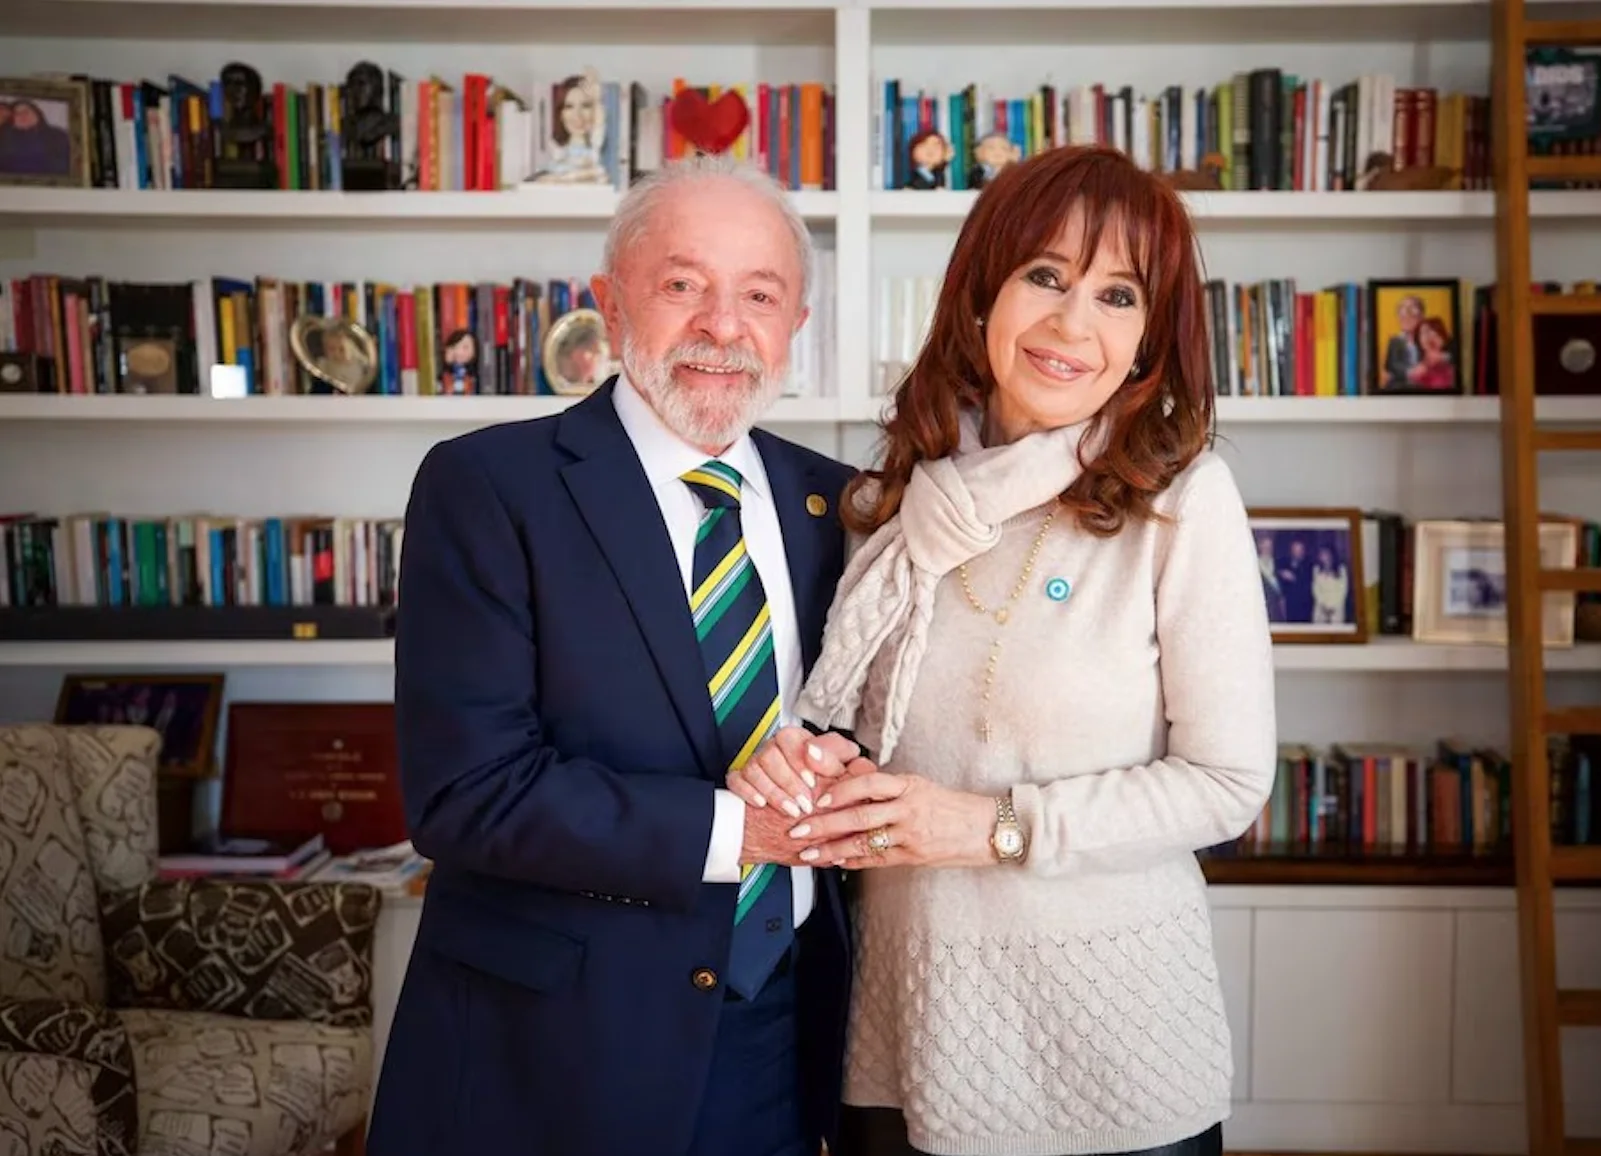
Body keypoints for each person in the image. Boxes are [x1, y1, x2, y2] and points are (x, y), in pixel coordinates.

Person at [729, 145, 1278, 1156]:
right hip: (903, 1033)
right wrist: (808, 771)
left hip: (1112, 1047)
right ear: (983, 293)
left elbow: (1226, 783)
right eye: (1046, 276)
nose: (1074, 324)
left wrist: (992, 828)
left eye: (1118, 295)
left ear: (1149, 338)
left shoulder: (1183, 501)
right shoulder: (890, 505)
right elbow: (849, 734)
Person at [370, 152, 868, 1156]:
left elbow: (855, 716)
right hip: (551, 1049)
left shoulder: (840, 501)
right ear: (610, 300)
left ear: (796, 324)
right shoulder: (489, 486)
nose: (723, 327)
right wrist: (741, 832)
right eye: (683, 285)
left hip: (780, 1026)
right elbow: (466, 793)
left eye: (759, 295)